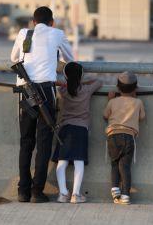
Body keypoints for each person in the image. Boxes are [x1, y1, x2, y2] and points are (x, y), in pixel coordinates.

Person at [10, 6, 74, 203]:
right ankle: (37, 192)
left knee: (26, 141)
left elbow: (13, 59)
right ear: (52, 22)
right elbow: (70, 60)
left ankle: (23, 191)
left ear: (33, 22)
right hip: (46, 91)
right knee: (44, 143)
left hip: (26, 92)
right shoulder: (57, 34)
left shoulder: (24, 33)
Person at [51, 62, 103, 203]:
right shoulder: (86, 90)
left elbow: (54, 82)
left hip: (65, 128)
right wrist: (82, 80)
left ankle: (62, 193)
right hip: (81, 129)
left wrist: (68, 82)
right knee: (78, 161)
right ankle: (75, 194)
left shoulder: (63, 91)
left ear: (66, 76)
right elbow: (99, 81)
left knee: (62, 162)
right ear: (81, 75)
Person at [103, 71, 146, 205]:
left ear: (118, 87)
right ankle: (126, 195)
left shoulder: (113, 101)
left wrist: (110, 100)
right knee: (125, 166)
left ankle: (115, 189)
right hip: (128, 137)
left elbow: (105, 115)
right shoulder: (138, 102)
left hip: (113, 136)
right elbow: (142, 117)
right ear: (135, 88)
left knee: (114, 163)